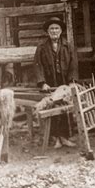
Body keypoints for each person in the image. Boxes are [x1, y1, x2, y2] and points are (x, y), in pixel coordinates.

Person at [34, 17, 77, 148]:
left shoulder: (67, 46)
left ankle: (64, 137)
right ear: (47, 31)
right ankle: (55, 139)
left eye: (56, 28)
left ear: (61, 31)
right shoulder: (41, 47)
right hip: (49, 83)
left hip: (63, 82)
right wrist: (42, 83)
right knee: (51, 108)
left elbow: (73, 64)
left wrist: (71, 81)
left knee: (64, 108)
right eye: (51, 28)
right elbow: (38, 65)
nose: (54, 31)